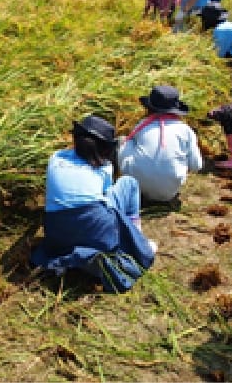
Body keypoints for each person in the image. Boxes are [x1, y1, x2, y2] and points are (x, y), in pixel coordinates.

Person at [30, 115, 156, 292]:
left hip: (57, 234)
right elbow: (105, 198)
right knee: (129, 184)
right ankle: (136, 241)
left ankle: (75, 257)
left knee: (88, 213)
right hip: (96, 229)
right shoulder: (104, 168)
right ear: (106, 149)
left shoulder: (55, 158)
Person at [118, 85, 202, 202]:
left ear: (149, 108)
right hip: (170, 191)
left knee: (124, 140)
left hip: (139, 186)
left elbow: (129, 143)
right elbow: (197, 166)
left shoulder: (142, 125)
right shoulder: (185, 130)